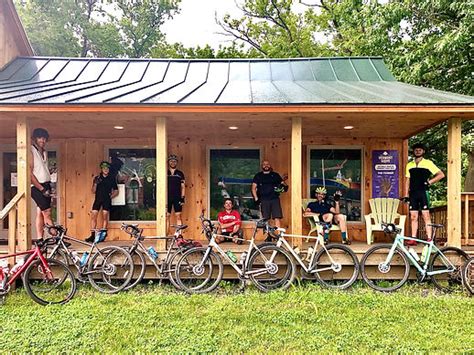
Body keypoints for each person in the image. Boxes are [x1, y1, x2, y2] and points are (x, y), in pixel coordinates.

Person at [404, 143, 444, 245]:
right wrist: (406, 194)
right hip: (413, 193)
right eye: (416, 149)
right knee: (413, 216)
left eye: (420, 150)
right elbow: (407, 180)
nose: (418, 151)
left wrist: (429, 182)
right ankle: (413, 238)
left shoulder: (428, 163)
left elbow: (441, 175)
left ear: (423, 151)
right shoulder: (409, 164)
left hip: (423, 192)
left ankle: (429, 238)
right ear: (413, 151)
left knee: (426, 215)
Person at [85, 161, 118, 243]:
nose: (106, 170)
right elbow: (93, 191)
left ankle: (103, 235)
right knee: (93, 216)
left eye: (107, 168)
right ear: (102, 169)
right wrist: (95, 184)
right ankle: (92, 235)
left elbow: (116, 190)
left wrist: (110, 196)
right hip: (98, 199)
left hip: (106, 199)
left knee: (105, 216)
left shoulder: (111, 178)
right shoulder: (97, 178)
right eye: (104, 168)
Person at [30, 128, 54, 240]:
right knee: (47, 212)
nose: (42, 140)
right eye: (40, 138)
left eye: (44, 138)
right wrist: (41, 189)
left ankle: (40, 239)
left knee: (40, 211)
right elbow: (29, 173)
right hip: (37, 186)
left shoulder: (44, 152)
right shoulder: (31, 151)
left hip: (46, 184)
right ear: (35, 138)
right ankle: (57, 238)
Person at [251, 160, 288, 231]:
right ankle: (268, 236)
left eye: (267, 164)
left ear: (270, 165)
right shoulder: (258, 176)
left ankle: (279, 236)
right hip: (263, 199)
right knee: (265, 219)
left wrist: (284, 187)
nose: (266, 165)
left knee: (277, 217)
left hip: (275, 199)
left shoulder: (275, 175)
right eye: (264, 164)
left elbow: (283, 184)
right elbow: (253, 188)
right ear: (262, 166)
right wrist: (256, 198)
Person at [167, 154, 185, 230]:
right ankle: (166, 236)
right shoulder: (165, 172)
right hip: (167, 197)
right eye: (171, 161)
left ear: (177, 162)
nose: (173, 162)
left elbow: (183, 187)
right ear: (168, 162)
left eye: (174, 161)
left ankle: (179, 237)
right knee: (167, 217)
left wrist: (182, 198)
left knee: (178, 216)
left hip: (177, 197)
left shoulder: (180, 173)